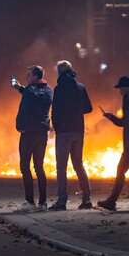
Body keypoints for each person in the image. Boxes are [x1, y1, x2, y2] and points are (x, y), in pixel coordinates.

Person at [97, 76, 129, 211]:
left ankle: (111, 202)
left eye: (120, 87)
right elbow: (124, 122)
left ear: (127, 88)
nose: (119, 90)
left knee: (122, 172)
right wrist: (111, 117)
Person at [49, 60, 93, 211]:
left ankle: (62, 202)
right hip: (78, 131)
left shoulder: (59, 89)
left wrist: (57, 127)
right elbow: (89, 108)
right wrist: (77, 110)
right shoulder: (80, 87)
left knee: (61, 168)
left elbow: (55, 111)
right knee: (78, 165)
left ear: (60, 72)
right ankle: (87, 200)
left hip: (64, 132)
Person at [12, 65, 53, 212]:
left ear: (35, 76)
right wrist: (20, 88)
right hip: (42, 133)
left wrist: (20, 127)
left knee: (25, 166)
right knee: (39, 167)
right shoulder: (49, 90)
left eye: (29, 75)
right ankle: (43, 203)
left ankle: (29, 202)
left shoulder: (30, 91)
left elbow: (24, 110)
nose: (27, 77)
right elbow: (35, 96)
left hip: (28, 133)